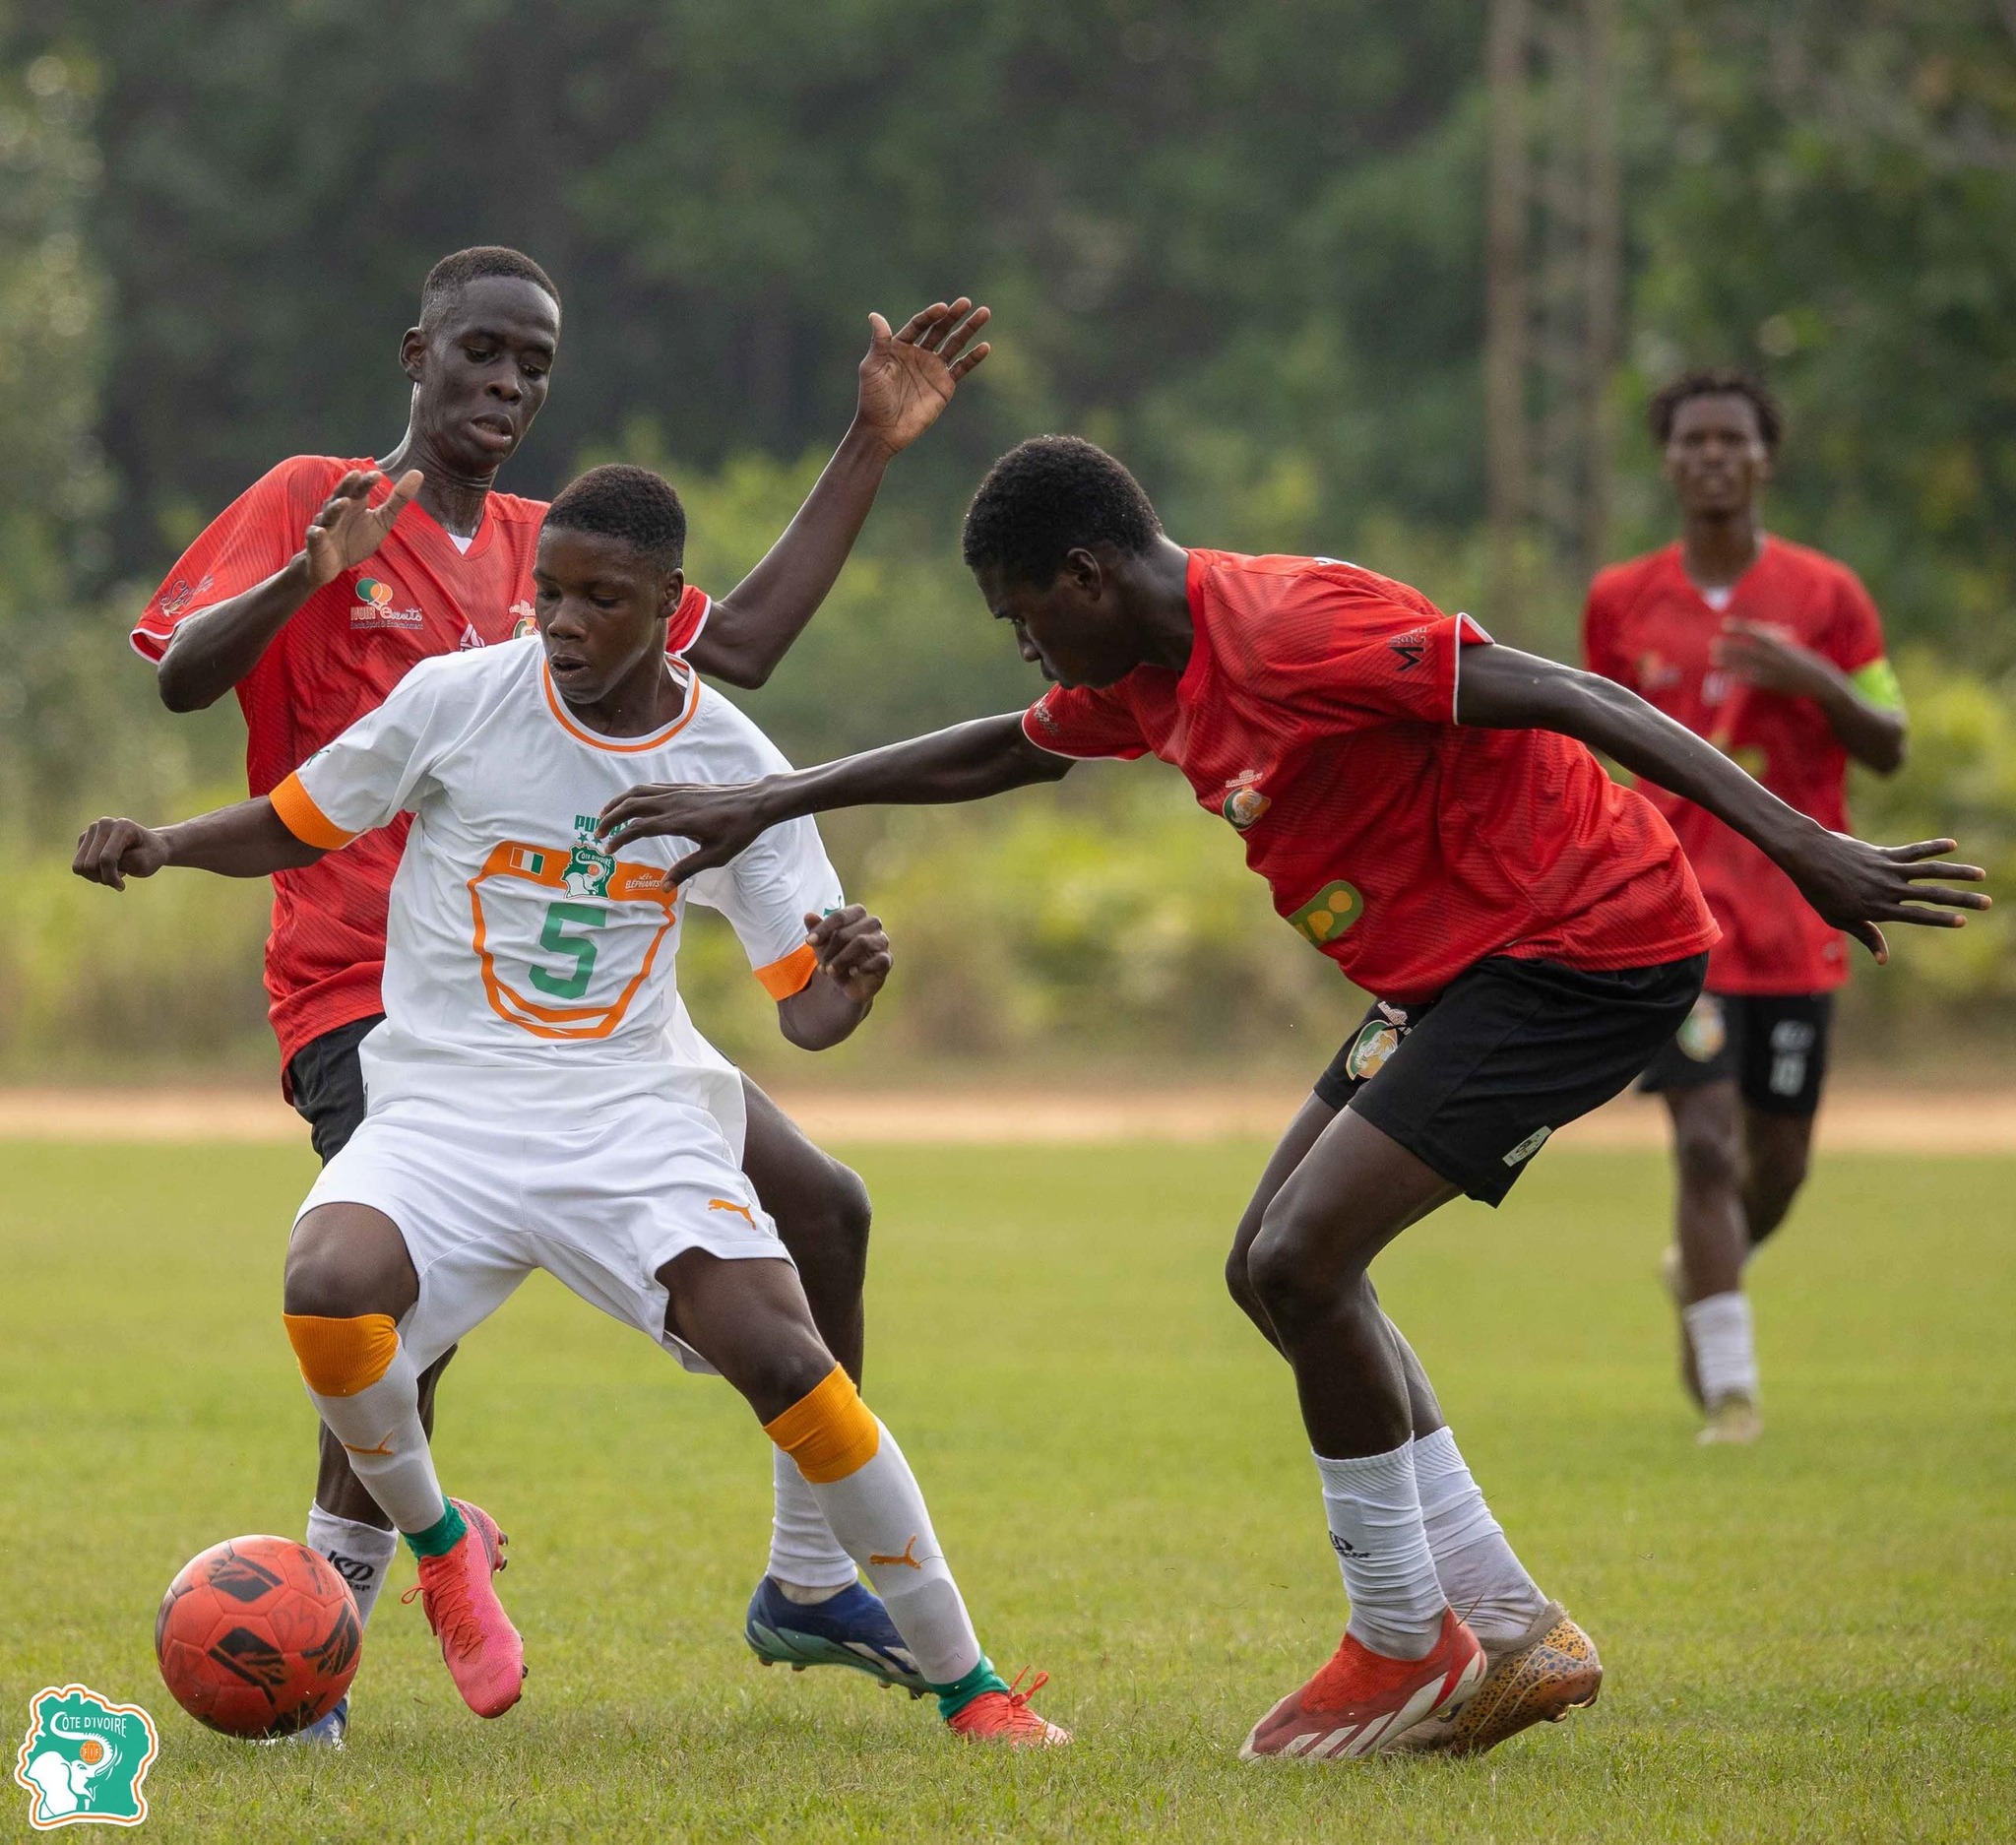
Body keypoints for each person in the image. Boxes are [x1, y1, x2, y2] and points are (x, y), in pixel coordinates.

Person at [594, 436, 1986, 1761]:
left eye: (1025, 616)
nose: (1026, 647)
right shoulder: (1145, 669)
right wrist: (770, 799)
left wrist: (1806, 847)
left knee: (1302, 1256)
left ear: (1087, 574)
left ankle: (1403, 1640)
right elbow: (1005, 748)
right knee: (1270, 1266)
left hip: (1581, 946)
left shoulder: (1290, 627)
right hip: (1455, 971)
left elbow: (1578, 696)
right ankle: (1509, 1626)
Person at [130, 244, 994, 1742]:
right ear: (418, 354)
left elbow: (736, 654)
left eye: (533, 363)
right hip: (370, 984)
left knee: (827, 1208)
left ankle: (808, 1578)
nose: (507, 383)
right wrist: (305, 575)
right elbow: (182, 678)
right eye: (481, 352)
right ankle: (333, 1647)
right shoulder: (315, 496)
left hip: (585, 999)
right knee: (395, 1309)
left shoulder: (556, 541)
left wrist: (867, 441)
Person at [1584, 371, 1909, 1443]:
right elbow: (1595, 741)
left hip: (1800, 917)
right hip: (1674, 916)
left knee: (1780, 1162)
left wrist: (1817, 679)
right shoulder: (1619, 599)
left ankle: (1701, 1270)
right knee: (1705, 1147)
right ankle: (1730, 1392)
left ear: (1765, 458)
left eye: (1733, 439)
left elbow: (1890, 742)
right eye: (1693, 440)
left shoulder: (1828, 594)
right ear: (1668, 461)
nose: (1713, 456)